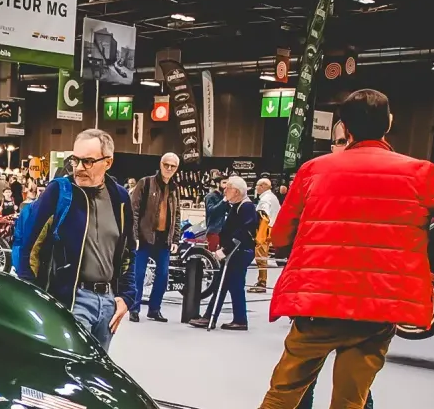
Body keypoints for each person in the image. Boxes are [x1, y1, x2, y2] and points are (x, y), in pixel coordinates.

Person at [204, 89, 434, 409]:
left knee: (278, 401)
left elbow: (281, 237)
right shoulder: (418, 173)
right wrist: (427, 258)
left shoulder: (315, 170)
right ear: (389, 123)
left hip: (317, 307)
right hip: (375, 313)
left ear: (343, 128)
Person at [258, 121, 374, 409]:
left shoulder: (372, 184)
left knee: (355, 395)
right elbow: (288, 234)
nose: (342, 147)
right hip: (314, 300)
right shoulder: (316, 178)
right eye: (337, 140)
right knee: (298, 383)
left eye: (346, 140)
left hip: (358, 306)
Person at [13, 128, 135, 350]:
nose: (78, 168)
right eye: (75, 160)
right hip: (70, 301)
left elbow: (128, 251)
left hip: (108, 303)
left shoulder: (120, 198)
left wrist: (126, 297)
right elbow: (29, 248)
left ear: (108, 162)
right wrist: (34, 299)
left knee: (98, 369)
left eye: (87, 161)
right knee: (67, 366)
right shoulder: (59, 192)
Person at [189, 175, 257, 331]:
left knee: (225, 284)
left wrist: (225, 250)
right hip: (236, 251)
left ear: (236, 191)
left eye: (228, 188)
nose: (224, 190)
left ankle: (212, 317)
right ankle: (234, 319)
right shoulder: (238, 205)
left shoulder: (246, 207)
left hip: (238, 251)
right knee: (230, 285)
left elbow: (243, 232)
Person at [128, 152, 181, 323]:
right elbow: (134, 210)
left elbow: (177, 214)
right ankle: (134, 308)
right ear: (160, 164)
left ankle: (154, 309)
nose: (169, 168)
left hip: (163, 239)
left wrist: (175, 239)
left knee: (163, 275)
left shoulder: (174, 188)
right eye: (166, 165)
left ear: (176, 168)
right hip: (144, 238)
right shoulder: (146, 183)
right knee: (138, 275)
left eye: (173, 166)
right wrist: (134, 235)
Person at [248, 177, 281, 293]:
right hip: (271, 229)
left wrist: (259, 235)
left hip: (264, 230)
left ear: (263, 186)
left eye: (257, 186)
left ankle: (262, 282)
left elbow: (263, 217)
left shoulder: (265, 199)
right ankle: (261, 281)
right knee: (262, 257)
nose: (256, 188)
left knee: (261, 257)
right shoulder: (272, 197)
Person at [205, 173, 228, 251]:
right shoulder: (210, 196)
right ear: (218, 184)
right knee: (213, 253)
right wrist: (224, 201)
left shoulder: (223, 196)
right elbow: (211, 211)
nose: (226, 185)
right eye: (224, 183)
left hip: (223, 230)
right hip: (214, 230)